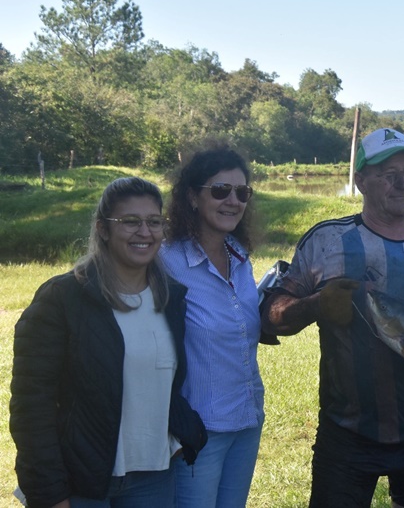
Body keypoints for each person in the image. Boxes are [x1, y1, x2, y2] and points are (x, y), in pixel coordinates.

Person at [261, 128, 404, 508]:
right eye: (389, 174)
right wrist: (312, 306)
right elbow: (271, 318)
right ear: (361, 181)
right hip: (347, 429)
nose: (403, 183)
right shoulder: (327, 240)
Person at [10, 177, 207, 507]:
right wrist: (48, 490)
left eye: (154, 221)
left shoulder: (171, 298)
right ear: (102, 228)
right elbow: (32, 404)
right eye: (130, 221)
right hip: (81, 482)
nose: (144, 232)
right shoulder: (62, 299)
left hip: (154, 476)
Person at [159, 148, 266, 507]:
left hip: (247, 420)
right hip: (199, 429)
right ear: (192, 196)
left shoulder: (239, 256)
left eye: (242, 192)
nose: (233, 201)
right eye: (220, 190)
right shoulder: (165, 260)